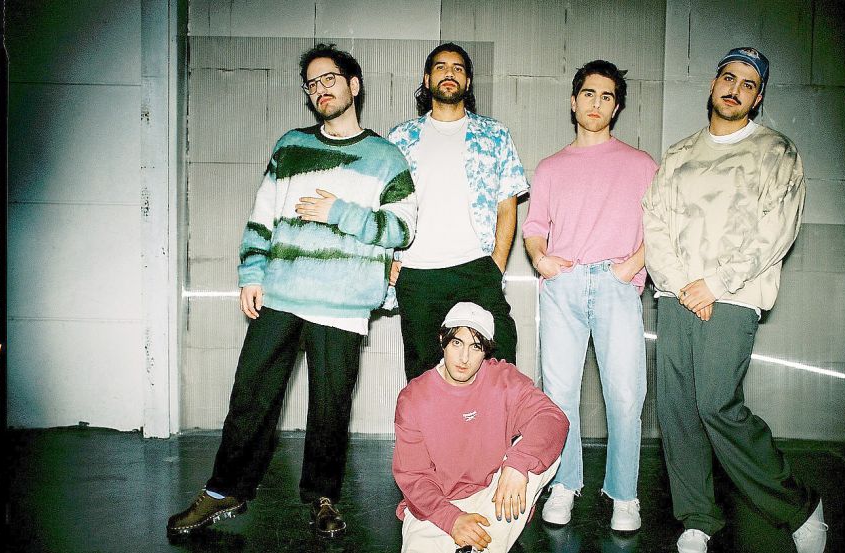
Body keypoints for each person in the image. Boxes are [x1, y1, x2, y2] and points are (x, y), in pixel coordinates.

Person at [166, 43, 417, 539]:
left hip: (342, 304)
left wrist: (339, 212)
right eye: (312, 83)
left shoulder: (386, 157)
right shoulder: (290, 146)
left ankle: (322, 497)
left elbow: (402, 229)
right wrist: (251, 273)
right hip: (281, 293)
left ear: (353, 85)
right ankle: (224, 490)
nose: (320, 89)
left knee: (329, 408)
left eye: (329, 79)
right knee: (251, 396)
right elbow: (262, 215)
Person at [642, 47, 827, 553]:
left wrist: (715, 284)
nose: (735, 89)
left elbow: (776, 231)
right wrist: (684, 284)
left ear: (758, 97)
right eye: (728, 77)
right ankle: (697, 517)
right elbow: (654, 222)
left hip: (734, 295)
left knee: (716, 403)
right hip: (676, 292)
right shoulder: (680, 154)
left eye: (748, 84)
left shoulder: (777, 152)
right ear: (713, 83)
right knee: (678, 410)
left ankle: (798, 506)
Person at [522, 60, 656, 532]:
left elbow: (661, 229)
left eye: (606, 96)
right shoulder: (551, 167)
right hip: (564, 285)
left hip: (617, 284)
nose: (596, 103)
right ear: (573, 101)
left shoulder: (642, 165)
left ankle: (624, 493)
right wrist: (541, 259)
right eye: (588, 94)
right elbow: (534, 227)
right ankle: (564, 484)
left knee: (626, 394)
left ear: (616, 107)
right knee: (558, 393)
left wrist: (630, 268)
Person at [386, 42, 529, 380]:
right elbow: (385, 205)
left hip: (476, 267)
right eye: (440, 67)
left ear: (467, 82)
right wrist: (385, 259)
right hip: (417, 272)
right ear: (427, 79)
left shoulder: (494, 134)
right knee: (424, 377)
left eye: (458, 68)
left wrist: (495, 265)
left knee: (499, 364)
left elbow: (507, 205)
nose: (449, 73)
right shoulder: (400, 137)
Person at [392, 302, 569, 552]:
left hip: (492, 497)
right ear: (442, 339)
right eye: (457, 343)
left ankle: (483, 539)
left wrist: (518, 464)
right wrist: (451, 519)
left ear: (486, 350)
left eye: (475, 347)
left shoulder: (503, 380)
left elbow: (552, 417)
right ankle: (483, 541)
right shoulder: (414, 398)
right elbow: (413, 476)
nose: (464, 358)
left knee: (540, 452)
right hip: (437, 507)